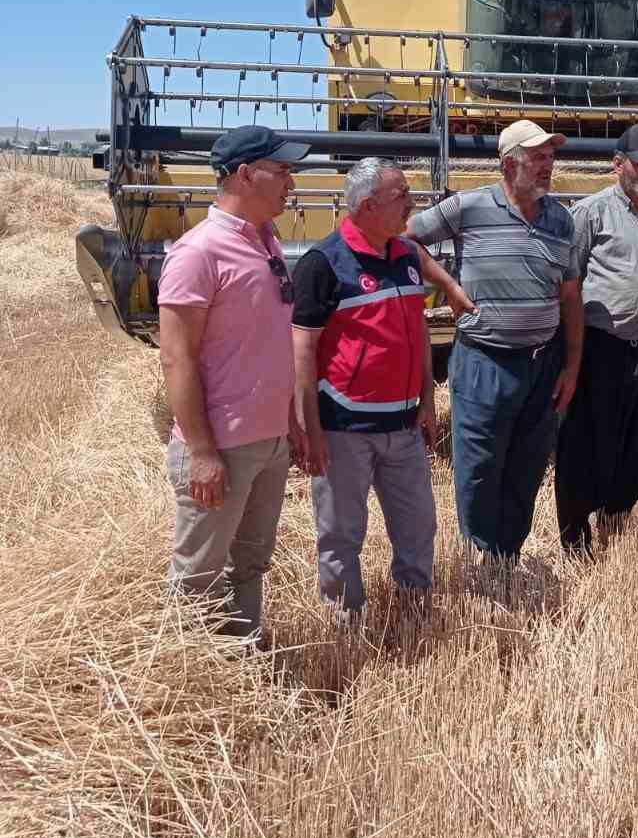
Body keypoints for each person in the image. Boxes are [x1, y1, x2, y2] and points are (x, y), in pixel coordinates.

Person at [290, 159, 474, 618]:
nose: (412, 204)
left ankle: (414, 611)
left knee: (418, 526)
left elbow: (415, 329)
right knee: (341, 534)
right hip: (343, 429)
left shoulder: (404, 254)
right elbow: (302, 353)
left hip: (404, 425)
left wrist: (428, 401)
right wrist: (309, 429)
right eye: (403, 196)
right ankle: (344, 625)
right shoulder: (323, 264)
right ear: (369, 206)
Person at [158, 124, 311, 641]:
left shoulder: (268, 243)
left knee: (250, 565)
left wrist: (289, 423)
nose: (292, 181)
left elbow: (270, 345)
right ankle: (187, 687)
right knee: (197, 578)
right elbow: (176, 360)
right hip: (221, 447)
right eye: (283, 170)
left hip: (267, 443)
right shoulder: (198, 253)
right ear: (246, 175)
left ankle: (242, 668)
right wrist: (201, 451)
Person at [407, 120, 583, 562]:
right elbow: (404, 237)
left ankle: (508, 558)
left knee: (527, 467)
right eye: (537, 158)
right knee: (480, 469)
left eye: (550, 157)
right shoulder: (466, 207)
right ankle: (480, 563)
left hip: (542, 365)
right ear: (509, 164)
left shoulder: (562, 219)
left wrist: (572, 366)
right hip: (484, 362)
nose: (548, 166)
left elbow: (571, 298)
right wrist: (446, 284)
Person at [554, 123, 638, 554]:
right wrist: (570, 360)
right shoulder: (590, 213)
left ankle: (615, 521)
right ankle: (575, 535)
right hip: (600, 348)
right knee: (586, 442)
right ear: (618, 164)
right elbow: (567, 287)